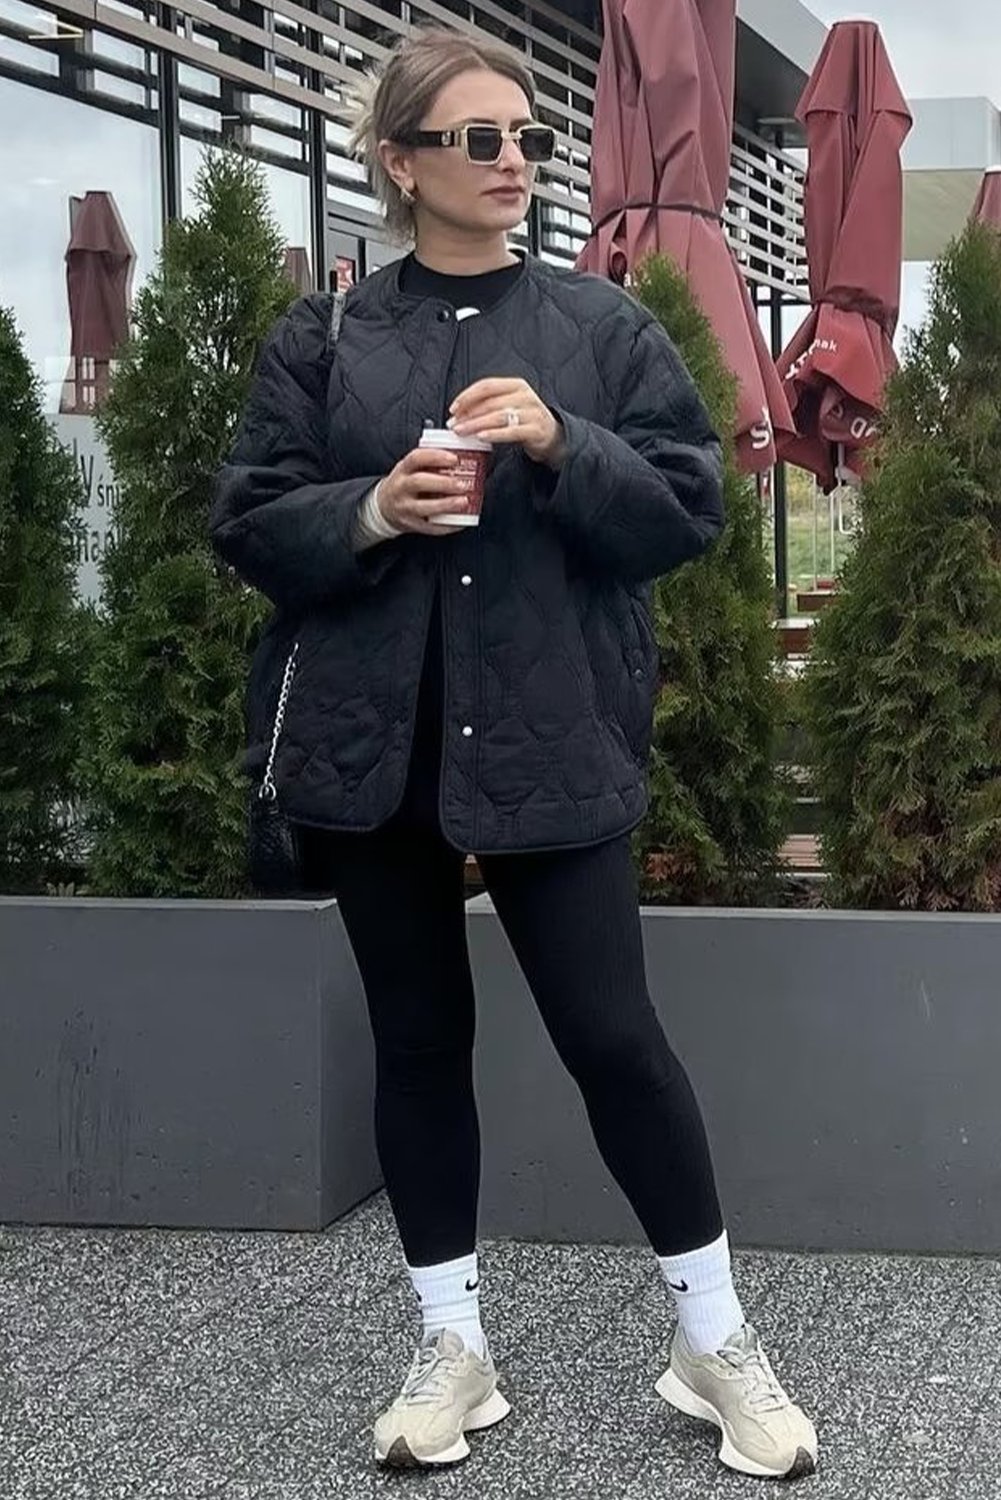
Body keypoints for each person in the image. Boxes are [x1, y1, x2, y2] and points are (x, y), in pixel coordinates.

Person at [210, 25, 818, 1483]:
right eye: (479, 139)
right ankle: (452, 1347)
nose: (515, 162)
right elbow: (250, 520)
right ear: (400, 162)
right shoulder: (325, 339)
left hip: (553, 739)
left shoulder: (602, 330)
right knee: (419, 1041)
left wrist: (562, 445)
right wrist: (373, 510)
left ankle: (713, 1340)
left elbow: (686, 511)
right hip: (377, 749)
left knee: (616, 1041)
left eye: (530, 137)